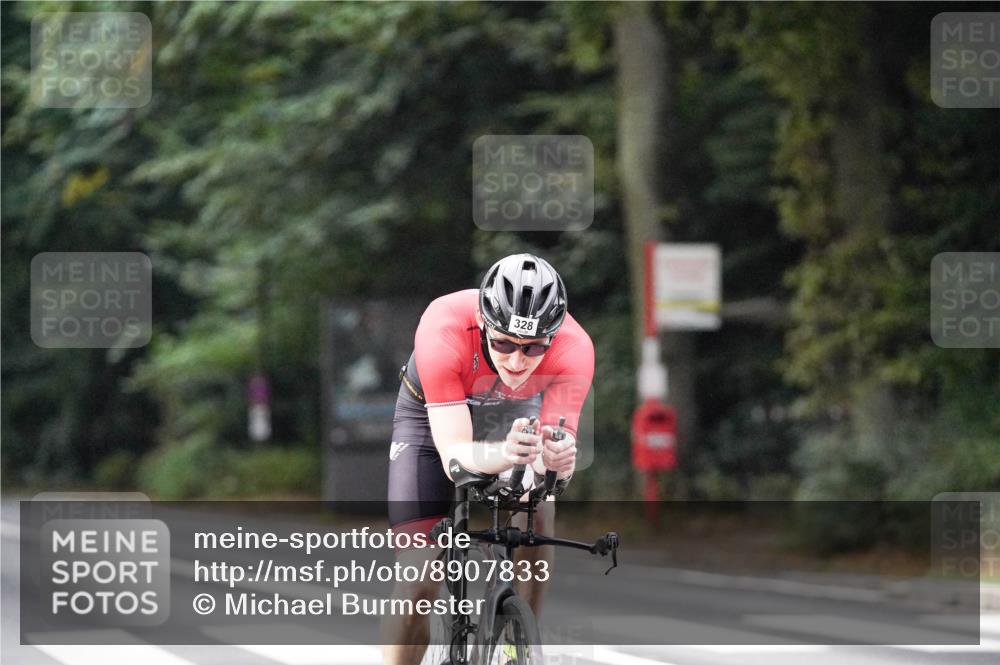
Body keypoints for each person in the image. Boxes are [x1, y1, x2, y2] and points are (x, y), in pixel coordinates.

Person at [382, 253, 595, 665]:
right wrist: (505, 453)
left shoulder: (575, 347)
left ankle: (520, 644)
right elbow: (455, 458)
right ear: (483, 323)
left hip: (514, 414)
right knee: (418, 581)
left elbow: (554, 452)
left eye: (534, 348)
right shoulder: (444, 325)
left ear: (553, 337)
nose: (516, 361)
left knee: (540, 509)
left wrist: (557, 460)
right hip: (432, 418)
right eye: (503, 343)